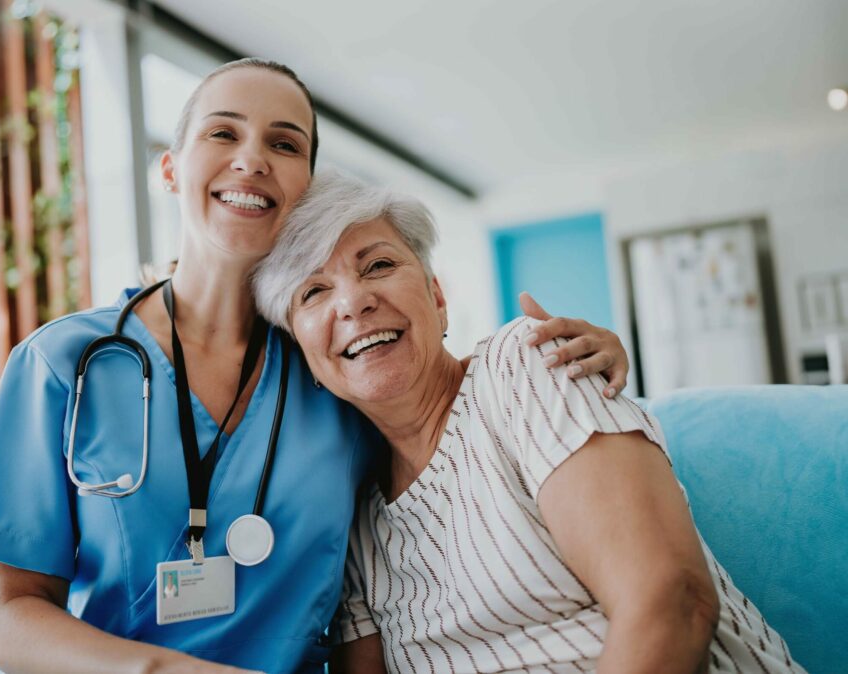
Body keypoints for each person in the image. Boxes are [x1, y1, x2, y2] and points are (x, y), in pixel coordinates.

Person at [0, 59, 632, 674]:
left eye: (283, 143)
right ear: (171, 168)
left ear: (304, 186)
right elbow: (14, 620)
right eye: (222, 133)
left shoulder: (332, 366)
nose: (251, 158)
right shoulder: (65, 364)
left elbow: (447, 410)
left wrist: (557, 359)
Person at [253, 170, 805, 674]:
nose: (353, 302)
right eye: (314, 291)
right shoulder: (351, 514)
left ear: (437, 297)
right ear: (302, 353)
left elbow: (671, 604)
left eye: (378, 265)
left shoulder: (523, 366)